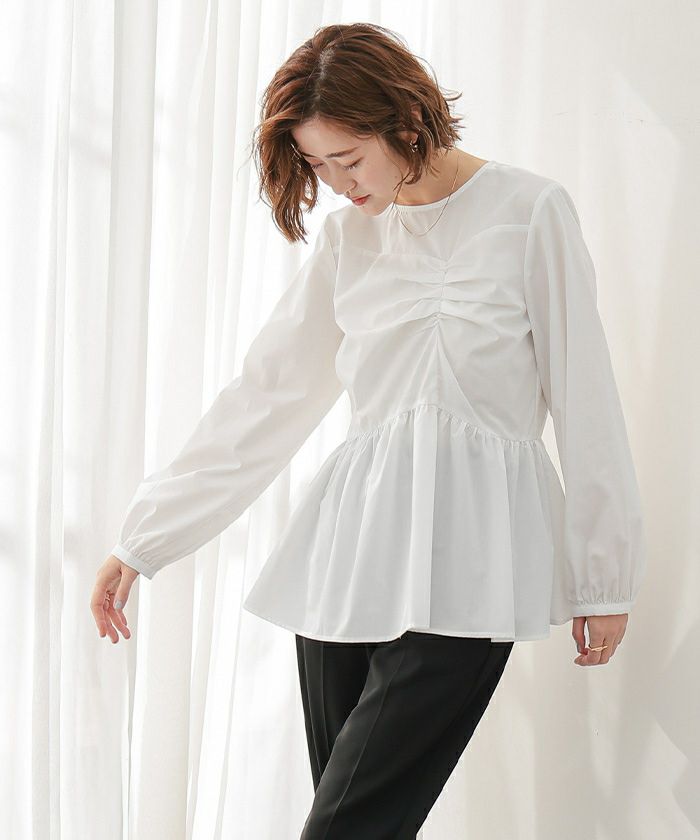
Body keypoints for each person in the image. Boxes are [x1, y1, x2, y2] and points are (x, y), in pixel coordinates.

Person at [89, 22, 647, 838]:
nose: (336, 184)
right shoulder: (349, 238)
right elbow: (266, 398)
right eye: (317, 165)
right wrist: (145, 537)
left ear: (406, 122)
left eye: (348, 159)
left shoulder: (530, 212)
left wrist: (604, 576)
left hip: (476, 563)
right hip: (345, 564)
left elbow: (587, 396)